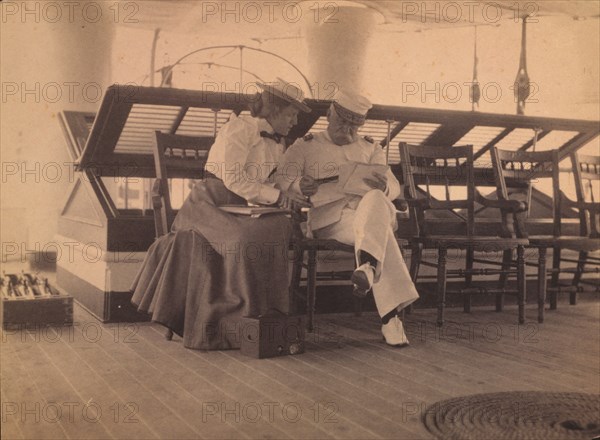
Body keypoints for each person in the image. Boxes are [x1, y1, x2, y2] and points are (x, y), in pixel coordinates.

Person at [131, 78, 311, 350]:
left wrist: (295, 189)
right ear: (274, 110)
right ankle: (234, 326)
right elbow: (234, 179)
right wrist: (278, 197)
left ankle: (266, 321)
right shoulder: (238, 129)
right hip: (209, 204)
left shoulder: (277, 142)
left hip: (246, 205)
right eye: (291, 114)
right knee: (243, 239)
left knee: (276, 229)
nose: (295, 121)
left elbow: (267, 183)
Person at [276, 90, 419, 347]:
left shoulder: (370, 147)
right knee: (380, 236)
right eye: (342, 122)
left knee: (376, 197)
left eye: (354, 125)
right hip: (331, 221)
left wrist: (384, 187)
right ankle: (390, 317)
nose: (348, 130)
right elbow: (282, 178)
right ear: (329, 115)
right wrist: (299, 185)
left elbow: (394, 186)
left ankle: (366, 268)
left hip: (369, 212)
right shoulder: (306, 145)